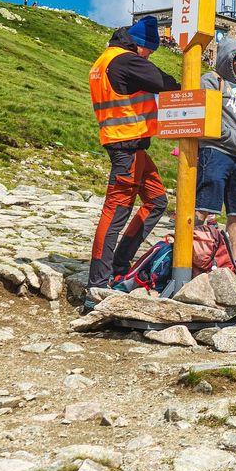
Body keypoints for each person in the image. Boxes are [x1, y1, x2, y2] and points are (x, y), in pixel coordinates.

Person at [87, 16, 179, 294]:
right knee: (115, 211)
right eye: (150, 50)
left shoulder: (105, 59)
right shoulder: (126, 60)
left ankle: (119, 264)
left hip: (129, 145)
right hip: (126, 146)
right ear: (139, 45)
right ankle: (98, 284)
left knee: (157, 201)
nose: (150, 56)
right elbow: (166, 83)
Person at [196, 37, 236, 266]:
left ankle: (235, 260)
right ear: (227, 58)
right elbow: (210, 117)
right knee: (204, 207)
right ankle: (194, 253)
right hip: (215, 151)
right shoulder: (211, 81)